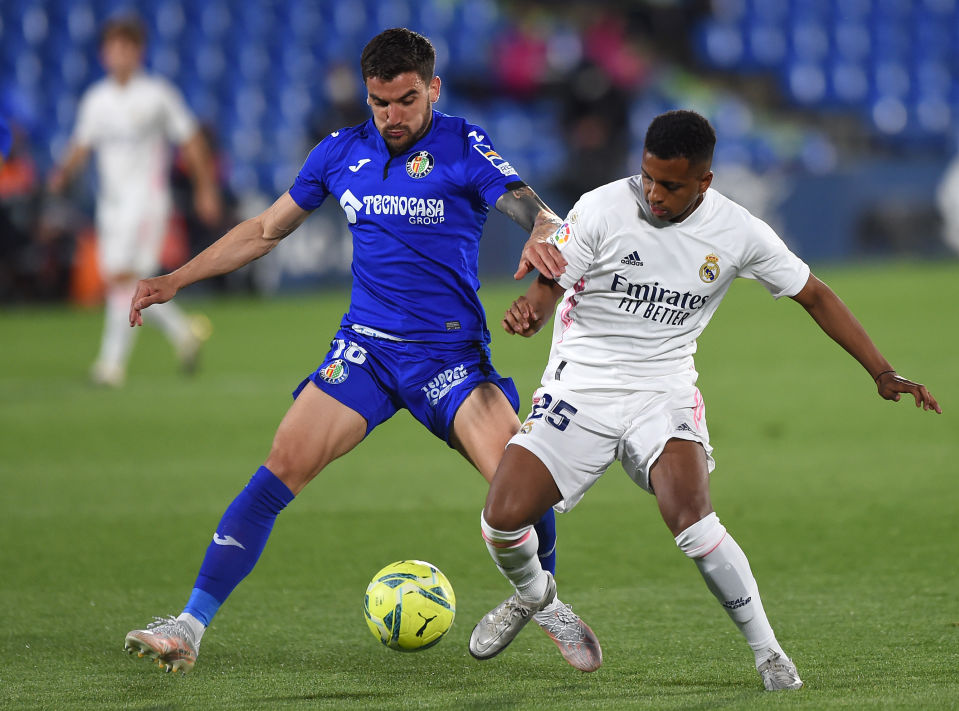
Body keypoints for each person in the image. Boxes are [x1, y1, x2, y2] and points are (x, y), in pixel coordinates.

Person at [123, 28, 601, 674]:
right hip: (365, 355)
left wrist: (543, 234)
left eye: (406, 100)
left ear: (432, 88)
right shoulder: (339, 153)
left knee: (527, 489)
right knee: (277, 469)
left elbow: (535, 211)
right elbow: (266, 229)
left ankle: (541, 598)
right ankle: (188, 625)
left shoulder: (462, 145)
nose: (392, 117)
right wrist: (174, 279)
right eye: (380, 103)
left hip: (449, 360)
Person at [467, 110, 941, 691]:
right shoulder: (599, 207)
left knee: (692, 520)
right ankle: (541, 600)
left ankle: (770, 656)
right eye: (648, 177)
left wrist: (882, 371)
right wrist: (530, 312)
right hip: (580, 386)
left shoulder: (739, 233)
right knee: (500, 522)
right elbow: (550, 280)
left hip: (661, 390)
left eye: (671, 184)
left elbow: (814, 294)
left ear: (704, 182)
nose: (654, 194)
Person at [48, 15, 223, 387]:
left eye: (126, 47)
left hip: (146, 204)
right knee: (122, 281)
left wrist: (205, 188)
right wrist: (62, 174)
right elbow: (82, 144)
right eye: (113, 47)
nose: (119, 55)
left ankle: (110, 367)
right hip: (110, 206)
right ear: (103, 54)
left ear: (138, 52)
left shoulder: (156, 95)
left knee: (125, 280)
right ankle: (182, 331)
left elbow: (191, 140)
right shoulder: (97, 100)